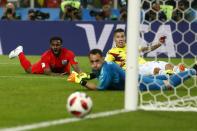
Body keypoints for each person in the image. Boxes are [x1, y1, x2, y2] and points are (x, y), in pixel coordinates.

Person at [68, 49, 197, 91]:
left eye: (97, 61)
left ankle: (192, 71)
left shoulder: (107, 68)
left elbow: (98, 89)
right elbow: (93, 74)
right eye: (92, 62)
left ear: (102, 59)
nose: (95, 64)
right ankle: (186, 70)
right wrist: (83, 76)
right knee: (164, 77)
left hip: (139, 83)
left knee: (168, 85)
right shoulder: (101, 66)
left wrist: (80, 80)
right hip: (136, 78)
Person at [105, 28, 185, 75]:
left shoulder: (130, 46)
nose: (121, 39)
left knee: (168, 65)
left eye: (122, 36)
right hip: (135, 69)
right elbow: (106, 67)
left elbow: (148, 49)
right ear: (114, 39)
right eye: (118, 37)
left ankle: (183, 71)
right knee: (156, 69)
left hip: (145, 64)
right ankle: (174, 74)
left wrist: (159, 43)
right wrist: (119, 65)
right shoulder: (111, 52)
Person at [8, 36, 82, 76]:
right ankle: (19, 52)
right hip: (49, 67)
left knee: (67, 73)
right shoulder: (45, 55)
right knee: (29, 70)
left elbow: (76, 68)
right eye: (53, 45)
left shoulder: (69, 53)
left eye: (57, 45)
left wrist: (82, 75)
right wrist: (59, 75)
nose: (55, 47)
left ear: (61, 45)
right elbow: (47, 72)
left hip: (61, 68)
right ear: (50, 45)